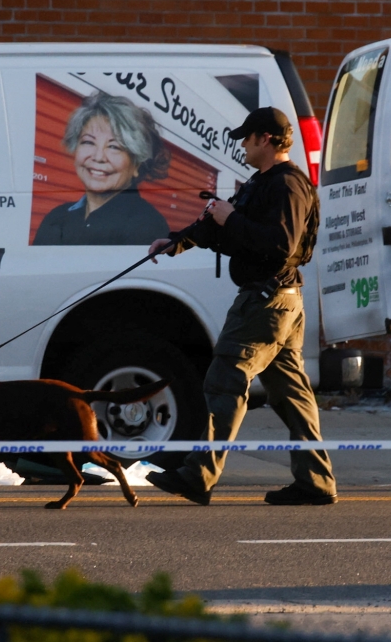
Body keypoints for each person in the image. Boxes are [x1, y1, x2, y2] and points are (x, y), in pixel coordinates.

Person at [145, 106, 337, 506]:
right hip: (278, 304)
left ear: (265, 139)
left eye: (247, 139)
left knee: (224, 380)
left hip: (266, 302)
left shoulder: (288, 186)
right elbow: (229, 232)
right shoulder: (262, 182)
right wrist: (176, 241)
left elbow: (279, 247)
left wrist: (231, 217)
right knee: (291, 395)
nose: (243, 147)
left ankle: (198, 475)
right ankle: (315, 482)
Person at [33, 91, 170, 245]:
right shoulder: (56, 217)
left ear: (137, 164)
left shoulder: (147, 226)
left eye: (114, 146)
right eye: (88, 142)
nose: (98, 157)